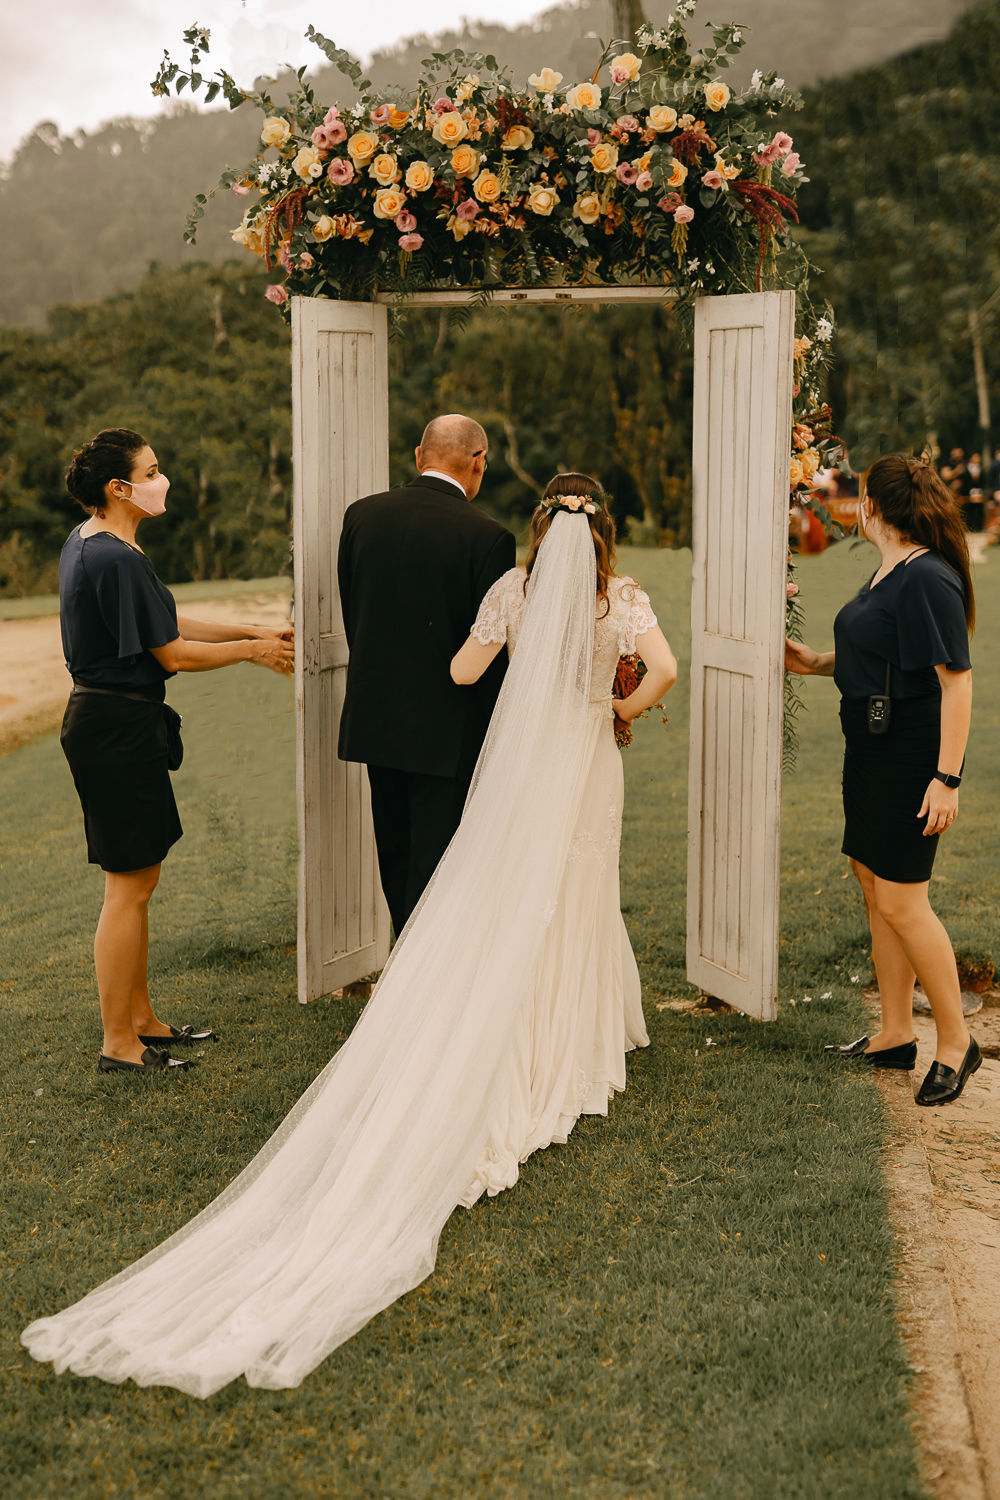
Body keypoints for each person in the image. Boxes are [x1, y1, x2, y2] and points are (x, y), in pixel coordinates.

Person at [23, 471, 677, 1397]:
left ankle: (508, 1023)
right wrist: (616, 705)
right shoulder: (628, 600)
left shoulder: (512, 590)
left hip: (518, 771)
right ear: (606, 529)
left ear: (541, 528)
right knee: (580, 892)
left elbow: (460, 672)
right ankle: (583, 1033)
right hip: (586, 765)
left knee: (506, 895)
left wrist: (508, 670)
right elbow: (666, 671)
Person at [58, 428, 294, 1075]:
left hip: (113, 724)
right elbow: (174, 654)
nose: (163, 481)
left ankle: (143, 1022)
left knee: (139, 880)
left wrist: (251, 628)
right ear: (120, 487)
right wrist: (255, 652)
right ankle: (119, 1044)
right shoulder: (115, 557)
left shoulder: (99, 543)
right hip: (114, 728)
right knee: (127, 888)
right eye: (153, 470)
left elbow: (169, 618)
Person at [785, 454, 977, 1106]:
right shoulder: (891, 569)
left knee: (902, 900)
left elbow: (956, 681)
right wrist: (814, 663)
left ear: (875, 507)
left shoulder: (927, 576)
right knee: (874, 886)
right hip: (868, 745)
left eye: (862, 496)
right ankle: (895, 1033)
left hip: (910, 754)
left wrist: (945, 779)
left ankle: (957, 1043)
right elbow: (889, 656)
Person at [337, 413, 515, 935]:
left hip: (377, 719)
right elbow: (486, 647)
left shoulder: (361, 516)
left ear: (419, 456)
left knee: (395, 855)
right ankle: (425, 989)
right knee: (441, 867)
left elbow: (355, 616)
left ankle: (404, 978)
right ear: (479, 463)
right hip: (449, 731)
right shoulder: (489, 537)